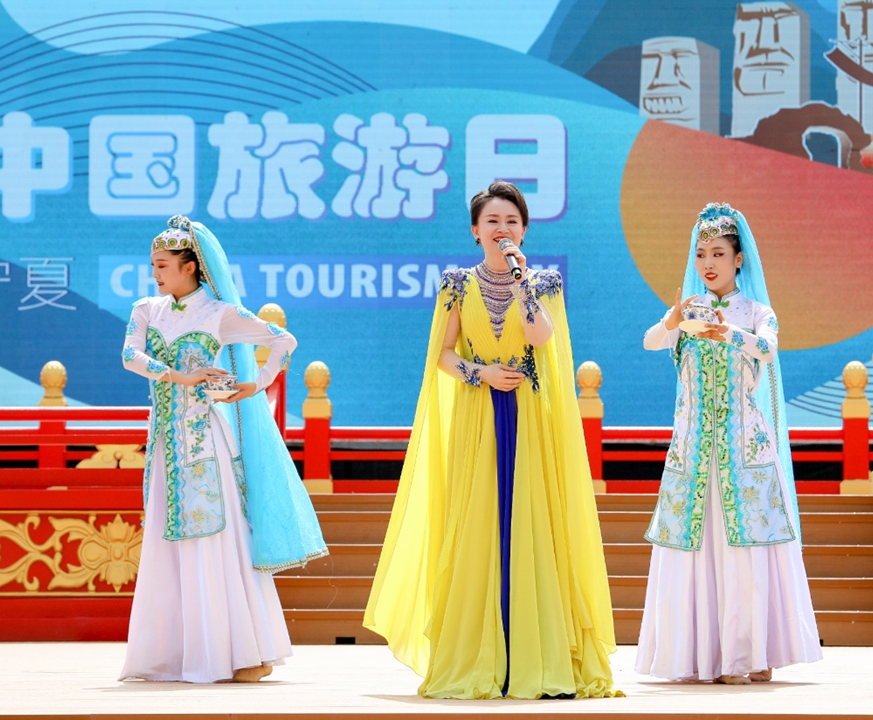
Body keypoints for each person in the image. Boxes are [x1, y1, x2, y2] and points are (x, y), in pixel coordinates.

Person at [364, 182, 620, 699]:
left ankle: (538, 655)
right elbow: (442, 354)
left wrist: (522, 280)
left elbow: (541, 337)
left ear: (523, 230)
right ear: (475, 230)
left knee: (532, 522)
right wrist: (480, 373)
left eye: (512, 221)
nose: (502, 230)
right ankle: (479, 657)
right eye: (492, 221)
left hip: (530, 418)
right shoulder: (457, 283)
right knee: (480, 522)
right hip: (479, 417)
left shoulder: (541, 281)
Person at [118, 215, 327, 684]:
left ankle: (238, 652)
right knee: (167, 542)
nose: (156, 273)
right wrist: (179, 375)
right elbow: (129, 356)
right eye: (154, 264)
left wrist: (256, 386)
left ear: (191, 266)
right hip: (165, 442)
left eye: (164, 265)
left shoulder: (218, 312)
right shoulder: (147, 308)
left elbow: (283, 341)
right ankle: (176, 654)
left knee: (213, 541)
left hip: (204, 440)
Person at [635, 202, 822, 684]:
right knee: (696, 550)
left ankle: (748, 656)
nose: (708, 264)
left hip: (744, 449)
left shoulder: (758, 312)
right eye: (700, 254)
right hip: (694, 449)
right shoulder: (688, 310)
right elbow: (651, 342)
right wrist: (674, 320)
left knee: (745, 551)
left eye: (718, 253)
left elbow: (768, 347)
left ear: (739, 259)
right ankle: (702, 657)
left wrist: (730, 332)